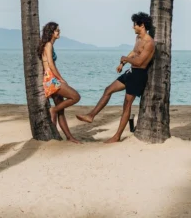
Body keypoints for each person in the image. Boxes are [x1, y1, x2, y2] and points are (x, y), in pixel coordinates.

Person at [77, 12, 155, 143]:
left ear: (141, 25)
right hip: (130, 72)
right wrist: (123, 63)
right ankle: (91, 116)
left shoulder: (149, 42)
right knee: (108, 90)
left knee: (126, 106)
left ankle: (117, 136)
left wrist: (126, 59)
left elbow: (141, 62)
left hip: (138, 76)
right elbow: (134, 52)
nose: (133, 27)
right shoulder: (138, 39)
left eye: (134, 25)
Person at [38, 21, 82, 143]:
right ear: (51, 32)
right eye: (57, 30)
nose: (59, 32)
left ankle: (69, 137)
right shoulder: (48, 45)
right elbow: (51, 65)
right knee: (76, 97)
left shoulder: (49, 44)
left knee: (61, 109)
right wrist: (61, 79)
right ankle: (53, 110)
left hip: (49, 78)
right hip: (50, 78)